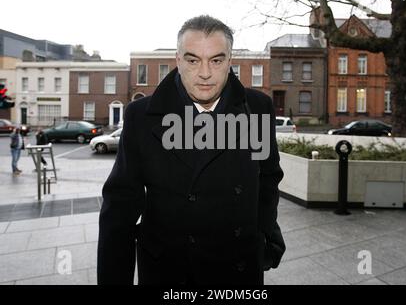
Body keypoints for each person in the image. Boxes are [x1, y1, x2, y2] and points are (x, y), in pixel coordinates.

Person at [98, 15, 285, 285]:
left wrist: (267, 231)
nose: (205, 73)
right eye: (193, 60)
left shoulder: (257, 108)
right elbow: (119, 210)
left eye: (217, 60)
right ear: (178, 60)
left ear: (230, 61)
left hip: (238, 268)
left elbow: (268, 177)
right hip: (169, 270)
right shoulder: (142, 116)